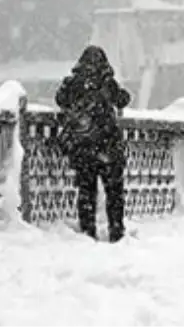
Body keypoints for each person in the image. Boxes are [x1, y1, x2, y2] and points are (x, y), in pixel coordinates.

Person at [56, 45, 131, 242]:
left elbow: (60, 99)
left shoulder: (73, 83)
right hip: (108, 145)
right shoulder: (107, 84)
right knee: (114, 191)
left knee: (86, 191)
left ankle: (88, 230)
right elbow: (123, 99)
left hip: (83, 147)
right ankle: (116, 229)